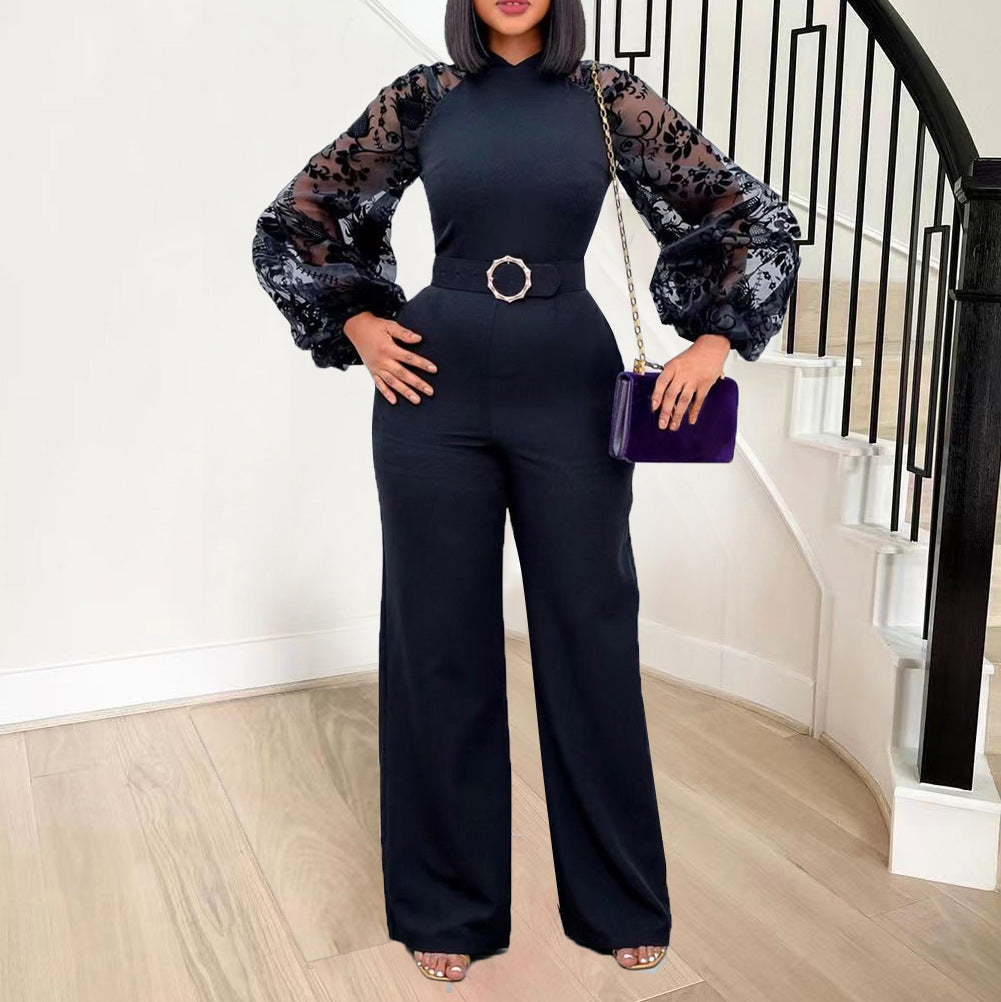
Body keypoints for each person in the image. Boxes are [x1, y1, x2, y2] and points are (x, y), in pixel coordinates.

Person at [251, 0, 801, 985]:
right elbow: (298, 218)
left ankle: (619, 902)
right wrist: (358, 325)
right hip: (431, 394)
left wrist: (715, 341)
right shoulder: (424, 97)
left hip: (571, 391)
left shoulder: (607, 97)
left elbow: (748, 216)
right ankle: (447, 908)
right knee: (437, 644)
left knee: (591, 636)